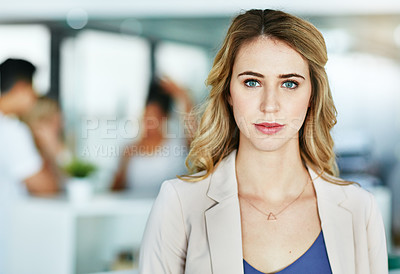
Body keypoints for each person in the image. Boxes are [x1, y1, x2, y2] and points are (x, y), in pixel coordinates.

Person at [138, 9, 388, 274]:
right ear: (228, 92)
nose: (270, 106)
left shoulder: (360, 209)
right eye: (252, 82)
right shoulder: (179, 204)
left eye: (289, 84)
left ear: (313, 95)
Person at [0, 58, 59, 272]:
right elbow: (45, 188)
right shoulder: (11, 131)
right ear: (21, 88)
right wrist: (50, 147)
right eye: (33, 89)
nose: (34, 98)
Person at [111, 77, 194, 194]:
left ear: (164, 119)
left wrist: (182, 95)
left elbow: (193, 133)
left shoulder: (177, 146)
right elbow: (114, 191)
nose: (149, 123)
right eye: (146, 117)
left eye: (155, 118)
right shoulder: (129, 150)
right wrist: (123, 167)